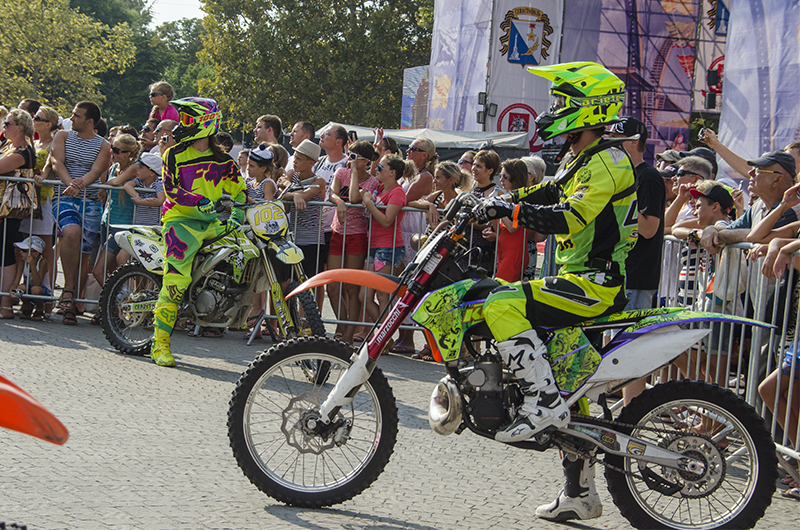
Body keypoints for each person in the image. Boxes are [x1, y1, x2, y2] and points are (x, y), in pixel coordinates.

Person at [472, 62, 635, 521]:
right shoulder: (580, 156)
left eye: (564, 101)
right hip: (579, 279)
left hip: (594, 283)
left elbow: (570, 215)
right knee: (573, 390)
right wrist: (496, 201)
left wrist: (515, 212)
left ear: (589, 108)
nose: (555, 110)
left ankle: (538, 401)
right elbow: (550, 190)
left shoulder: (608, 158)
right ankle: (579, 494)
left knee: (500, 301)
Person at [151, 97, 246, 367]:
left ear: (206, 123)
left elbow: (241, 190)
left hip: (214, 223)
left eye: (188, 119)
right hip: (181, 222)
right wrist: (196, 201)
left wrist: (237, 214)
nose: (183, 124)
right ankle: (160, 345)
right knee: (176, 281)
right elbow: (171, 190)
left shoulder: (224, 160)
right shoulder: (174, 154)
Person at [608, 117, 666, 402]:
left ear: (632, 143)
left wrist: (618, 205)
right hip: (623, 274)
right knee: (622, 345)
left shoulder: (648, 177)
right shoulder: (628, 176)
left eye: (615, 143)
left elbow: (649, 227)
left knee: (633, 346)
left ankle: (632, 410)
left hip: (638, 276)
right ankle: (627, 405)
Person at [50, 101, 110, 325]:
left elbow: (96, 171)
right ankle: (67, 290)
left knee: (84, 253)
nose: (72, 118)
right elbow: (57, 161)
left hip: (91, 202)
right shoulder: (63, 136)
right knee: (71, 233)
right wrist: (70, 185)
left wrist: (79, 185)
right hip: (64, 197)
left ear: (90, 121)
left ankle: (73, 302)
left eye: (77, 116)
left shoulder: (103, 145)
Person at [325, 141, 380, 344]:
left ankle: (348, 334)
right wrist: (339, 201)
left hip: (357, 235)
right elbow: (332, 193)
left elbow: (355, 197)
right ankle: (342, 324)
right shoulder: (340, 172)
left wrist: (356, 172)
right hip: (338, 232)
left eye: (355, 156)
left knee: (351, 288)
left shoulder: (372, 182)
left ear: (365, 160)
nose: (350, 159)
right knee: (332, 287)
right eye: (350, 155)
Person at [361, 155, 406, 325]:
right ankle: (382, 333)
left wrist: (369, 203)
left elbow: (387, 221)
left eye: (380, 167)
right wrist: (366, 195)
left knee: (382, 295)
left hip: (389, 248)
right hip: (374, 247)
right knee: (364, 296)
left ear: (392, 173)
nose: (376, 170)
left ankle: (384, 338)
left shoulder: (397, 192)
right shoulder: (379, 189)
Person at [0, 109, 36, 320]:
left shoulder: (23, 152)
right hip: (4, 209)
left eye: (8, 123)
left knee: (5, 254)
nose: (4, 126)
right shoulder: (8, 146)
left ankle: (5, 304)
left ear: (20, 127)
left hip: (9, 210)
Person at [284, 139, 327, 287]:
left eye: (299, 159)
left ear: (311, 163)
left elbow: (305, 195)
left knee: (309, 285)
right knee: (291, 283)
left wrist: (294, 194)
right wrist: (294, 195)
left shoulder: (318, 180)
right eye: (295, 157)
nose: (294, 162)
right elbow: (280, 194)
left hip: (312, 240)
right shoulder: (292, 176)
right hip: (294, 239)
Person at [482, 159, 530, 283]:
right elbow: (500, 230)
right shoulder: (507, 198)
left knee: (503, 290)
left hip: (514, 253)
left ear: (516, 177)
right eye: (500, 176)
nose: (501, 180)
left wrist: (499, 208)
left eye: (505, 176)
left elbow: (513, 227)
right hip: (503, 251)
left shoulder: (521, 200)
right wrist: (492, 215)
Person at [467, 149, 501, 273]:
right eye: (474, 165)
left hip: (483, 249)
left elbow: (493, 222)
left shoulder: (497, 192)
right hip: (465, 246)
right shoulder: (468, 188)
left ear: (490, 171)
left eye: (479, 166)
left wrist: (468, 222)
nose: (474, 169)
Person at [9, 236, 49, 320]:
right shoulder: (22, 263)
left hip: (43, 291)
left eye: (24, 250)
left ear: (35, 253)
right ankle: (27, 306)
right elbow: (16, 282)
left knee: (35, 289)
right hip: (29, 289)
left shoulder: (42, 262)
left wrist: (33, 266)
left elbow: (38, 283)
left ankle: (40, 307)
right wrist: (12, 290)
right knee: (21, 287)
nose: (20, 252)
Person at [124, 152, 165, 226]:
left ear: (151, 173)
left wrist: (140, 202)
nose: (137, 170)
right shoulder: (139, 181)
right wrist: (138, 198)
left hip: (152, 226)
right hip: (137, 224)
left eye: (141, 168)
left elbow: (161, 200)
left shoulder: (158, 183)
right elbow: (127, 185)